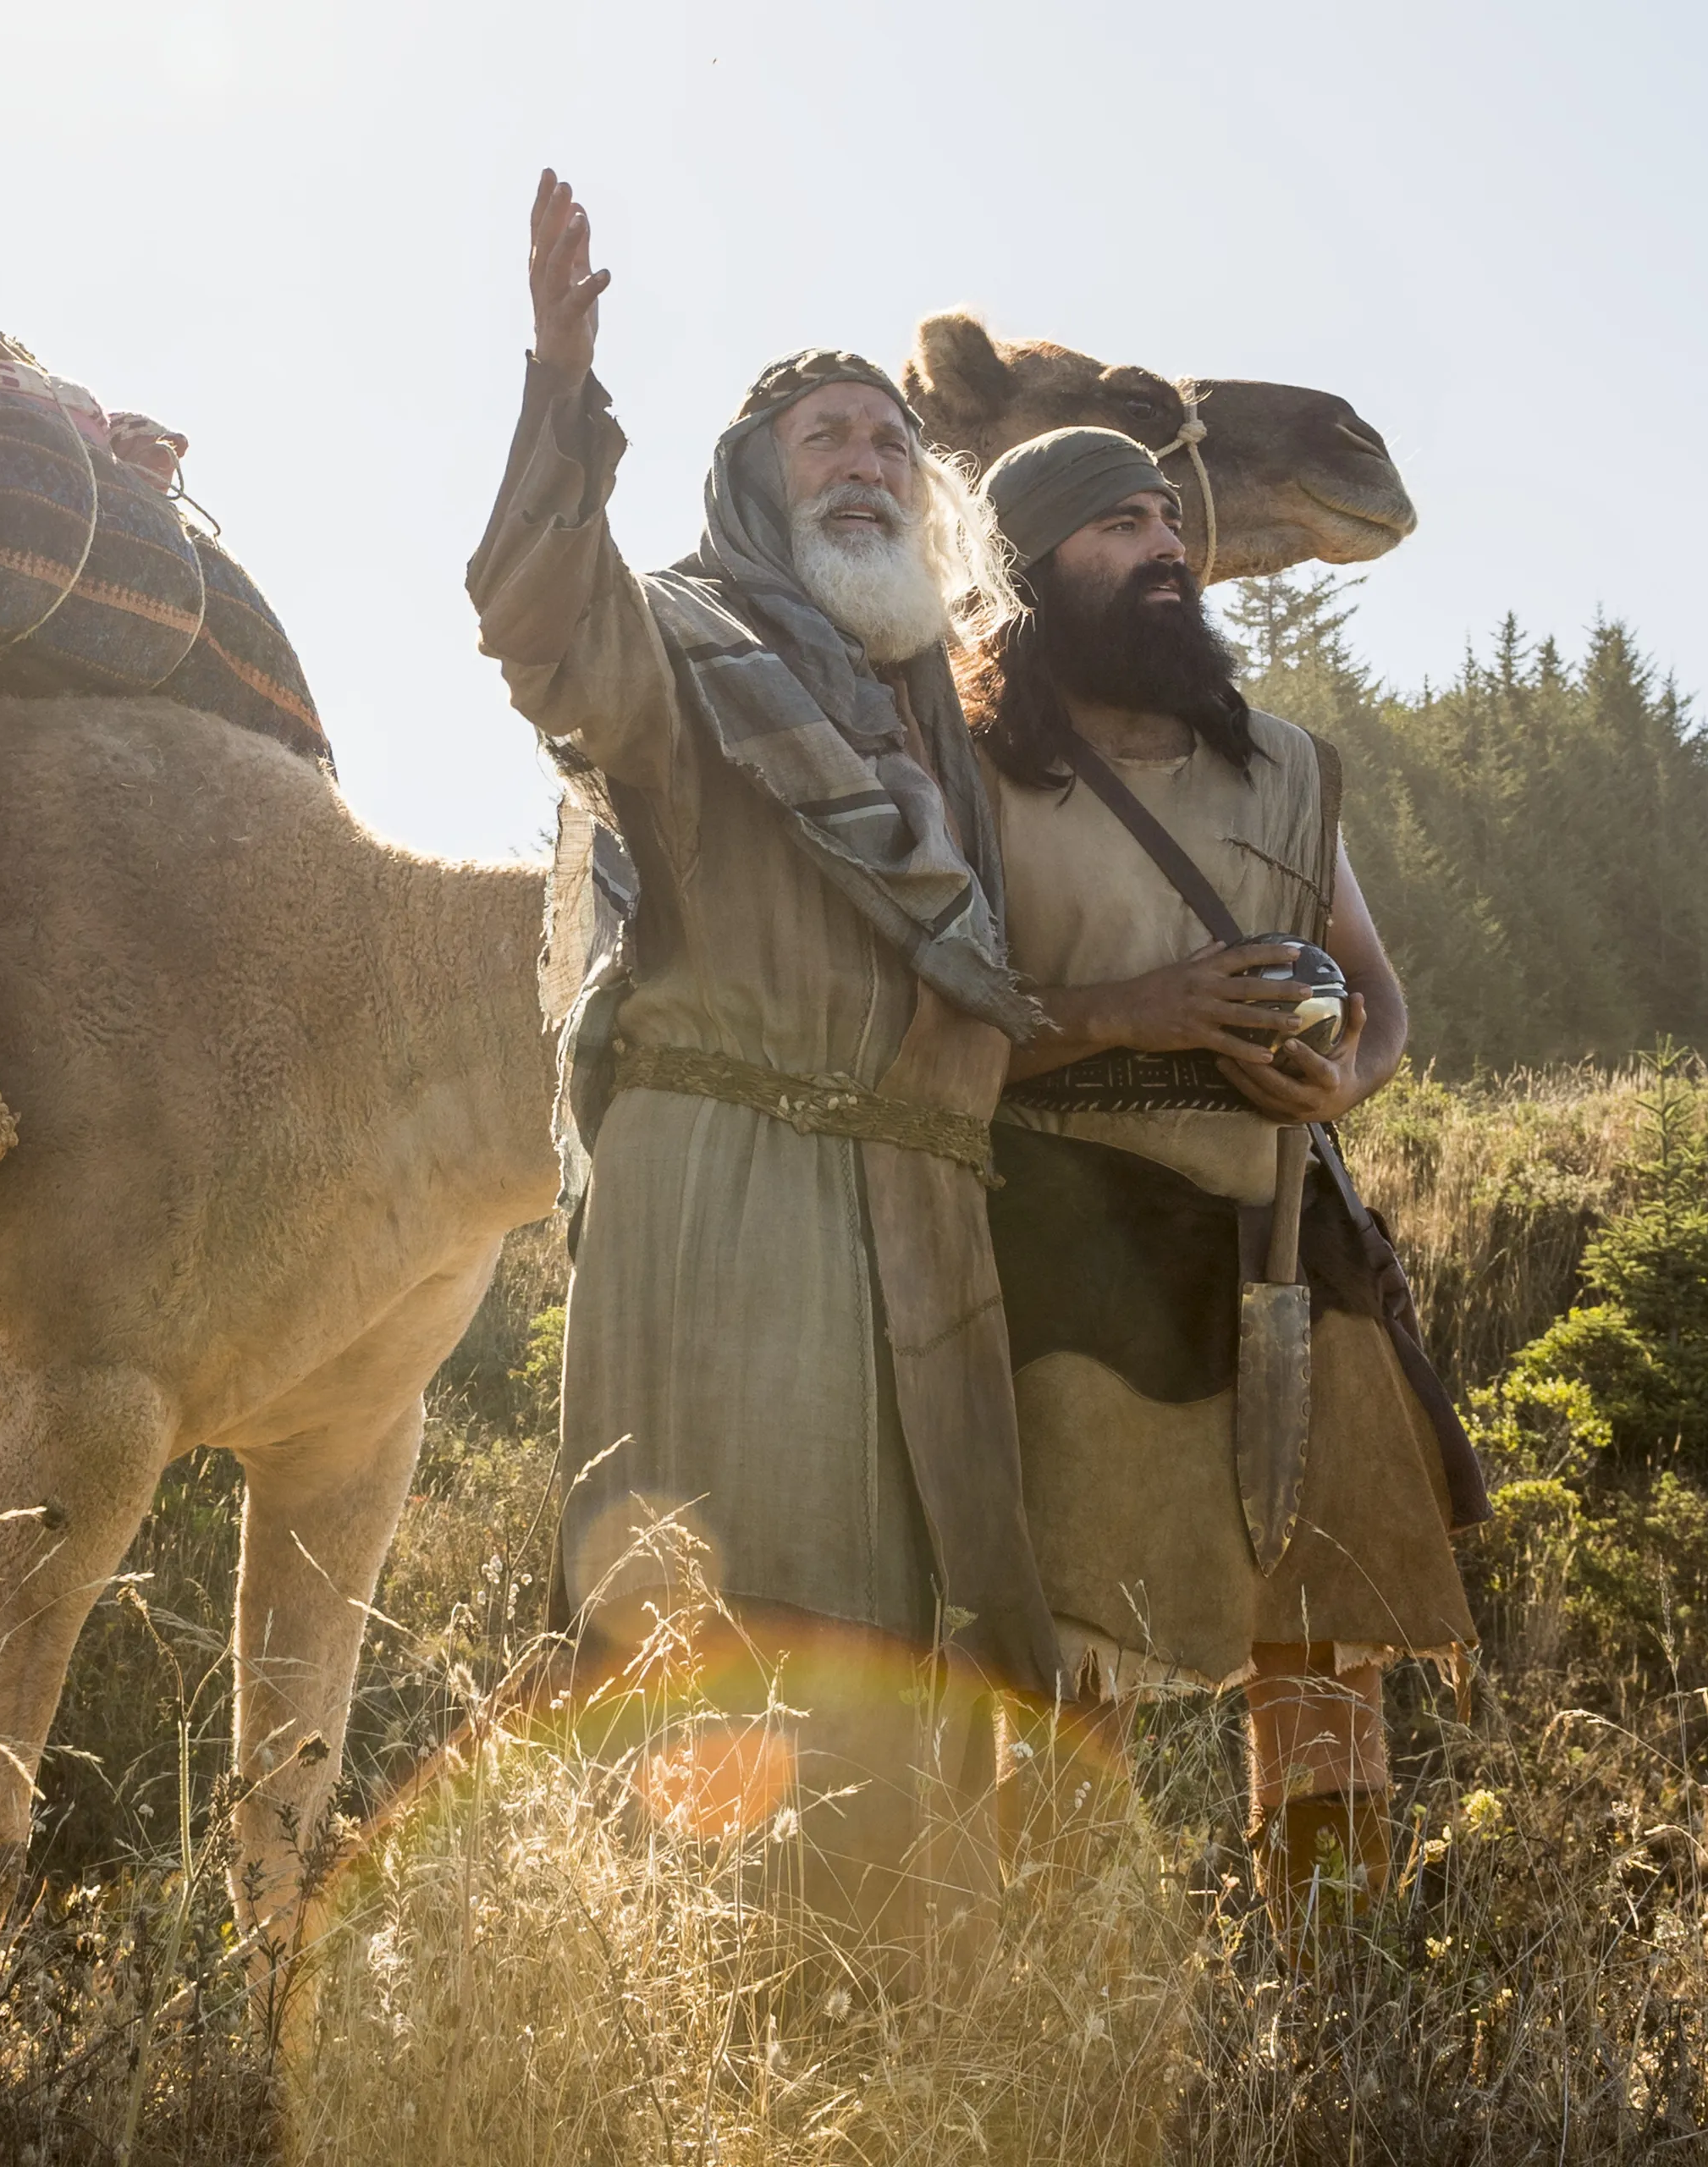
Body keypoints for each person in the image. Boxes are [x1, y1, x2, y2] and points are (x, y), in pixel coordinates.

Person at [467, 172, 1056, 1935]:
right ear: (753, 479)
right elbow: (544, 626)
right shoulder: (695, 653)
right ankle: (691, 2003)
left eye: (890, 440)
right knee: (725, 1616)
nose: (867, 460)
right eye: (823, 435)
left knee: (890, 1620)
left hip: (907, 1213)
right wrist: (559, 386)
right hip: (725, 1191)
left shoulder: (936, 721)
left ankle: (847, 2004)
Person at [964, 425, 1487, 1909]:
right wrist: (1138, 1010)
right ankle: (1064, 1997)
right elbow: (928, 1030)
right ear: (1032, 570)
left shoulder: (1284, 770)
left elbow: (1379, 1004)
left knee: (1325, 1630)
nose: (1165, 551)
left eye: (1167, 523)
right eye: (1119, 526)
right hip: (1070, 1240)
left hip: (1284, 1235)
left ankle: (1334, 1971)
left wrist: (1341, 1073)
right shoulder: (971, 781)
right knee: (1085, 1645)